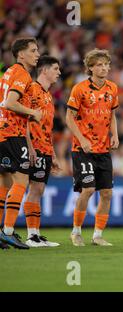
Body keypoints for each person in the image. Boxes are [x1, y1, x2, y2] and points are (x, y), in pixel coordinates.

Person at [66, 49, 119, 247]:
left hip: (103, 149)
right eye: (99, 65)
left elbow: (112, 115)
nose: (104, 68)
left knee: (107, 193)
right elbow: (69, 117)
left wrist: (115, 134)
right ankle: (76, 231)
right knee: (88, 190)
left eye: (106, 64)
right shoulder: (79, 89)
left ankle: (97, 235)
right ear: (90, 68)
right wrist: (82, 139)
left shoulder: (112, 88)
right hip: (83, 149)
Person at [0, 37, 42, 250]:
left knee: (4, 184)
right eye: (33, 51)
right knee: (21, 182)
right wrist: (33, 112)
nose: (37, 54)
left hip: (2, 132)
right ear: (21, 54)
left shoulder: (7, 72)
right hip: (13, 133)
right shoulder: (21, 74)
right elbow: (10, 103)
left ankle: (1, 233)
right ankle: (7, 232)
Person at [22, 56, 62, 248]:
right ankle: (30, 236)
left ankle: (36, 234)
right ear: (44, 70)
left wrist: (53, 154)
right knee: (34, 189)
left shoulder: (48, 96)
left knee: (39, 190)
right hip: (34, 148)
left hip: (45, 149)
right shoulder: (32, 90)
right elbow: (24, 121)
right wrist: (29, 147)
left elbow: (48, 128)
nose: (59, 72)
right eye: (55, 68)